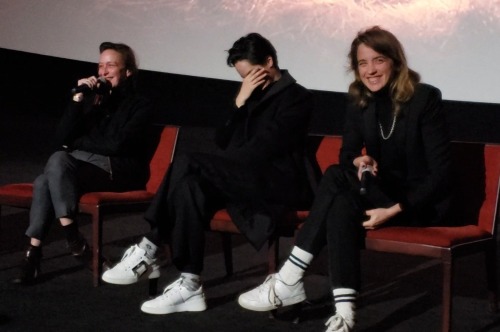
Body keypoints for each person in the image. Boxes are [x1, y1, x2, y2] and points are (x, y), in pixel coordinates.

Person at [237, 26, 453, 332]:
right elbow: (347, 153)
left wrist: (395, 209)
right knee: (340, 199)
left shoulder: (424, 98)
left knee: (338, 181)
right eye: (362, 63)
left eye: (377, 60)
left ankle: (289, 277)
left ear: (395, 60)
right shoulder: (358, 99)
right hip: (383, 193)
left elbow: (442, 174)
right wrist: (357, 159)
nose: (370, 70)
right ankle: (345, 313)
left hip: (420, 203)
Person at [102, 32, 315, 315]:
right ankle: (190, 284)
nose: (249, 81)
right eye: (243, 77)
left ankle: (151, 244)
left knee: (190, 162)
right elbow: (222, 140)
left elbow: (266, 148)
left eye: (252, 73)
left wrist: (218, 166)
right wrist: (239, 102)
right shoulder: (248, 95)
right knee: (190, 185)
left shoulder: (298, 98)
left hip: (279, 185)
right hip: (241, 177)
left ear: (269, 61)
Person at [13, 42, 155, 284]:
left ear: (127, 71)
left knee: (54, 167)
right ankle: (49, 249)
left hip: (117, 168)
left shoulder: (140, 105)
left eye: (111, 66)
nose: (103, 72)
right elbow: (60, 140)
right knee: (47, 176)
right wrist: (77, 100)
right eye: (100, 66)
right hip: (83, 166)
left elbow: (116, 145)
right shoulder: (95, 101)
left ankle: (61, 244)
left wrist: (77, 142)